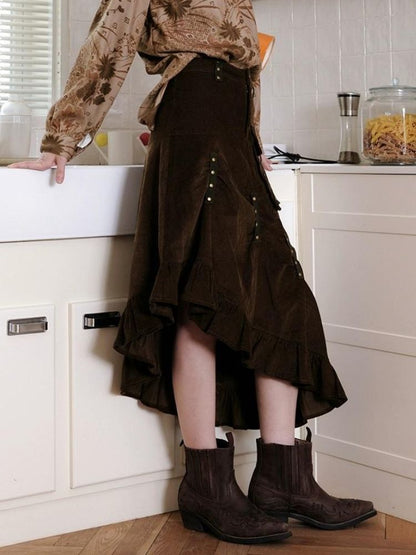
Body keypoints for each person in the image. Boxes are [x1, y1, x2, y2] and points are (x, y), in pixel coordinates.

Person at [10, 0, 376, 545]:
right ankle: (206, 484)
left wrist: (253, 141)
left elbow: (246, 66)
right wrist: (61, 141)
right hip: (192, 128)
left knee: (282, 301)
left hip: (234, 140)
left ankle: (283, 478)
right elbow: (109, 41)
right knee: (202, 300)